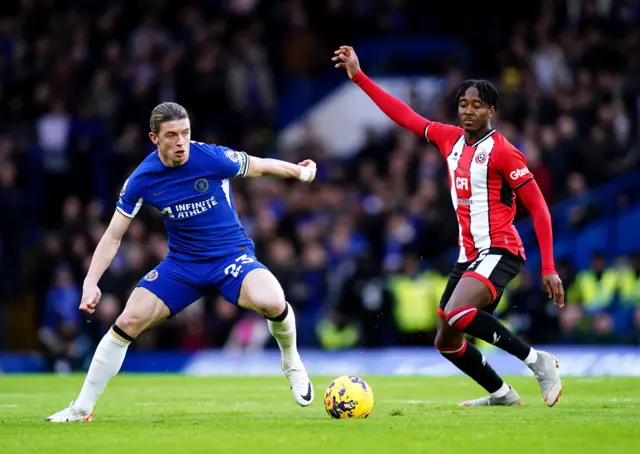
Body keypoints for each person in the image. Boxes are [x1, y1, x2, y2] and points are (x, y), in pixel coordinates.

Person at [45, 102, 317, 422]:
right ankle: (81, 409)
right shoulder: (142, 179)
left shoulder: (210, 157)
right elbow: (113, 236)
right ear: (154, 138)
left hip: (231, 256)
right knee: (128, 321)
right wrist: (90, 282)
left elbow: (259, 165)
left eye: (185, 133)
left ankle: (290, 360)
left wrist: (301, 171)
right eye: (172, 135)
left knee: (273, 301)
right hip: (183, 265)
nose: (181, 142)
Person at [333, 46, 565, 407]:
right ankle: (501, 394)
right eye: (463, 104)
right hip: (469, 255)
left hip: (501, 249)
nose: (468, 111)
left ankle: (538, 362)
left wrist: (548, 267)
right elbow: (405, 116)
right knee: (446, 340)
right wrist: (360, 77)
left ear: (492, 111)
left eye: (477, 105)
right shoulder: (449, 139)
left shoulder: (504, 152)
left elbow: (539, 209)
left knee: (458, 312)